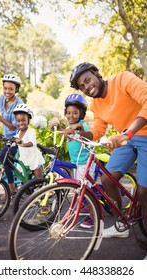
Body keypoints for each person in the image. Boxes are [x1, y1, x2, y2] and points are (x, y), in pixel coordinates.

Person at [66, 62, 147, 248]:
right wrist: (77, 133)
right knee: (108, 180)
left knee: (144, 193)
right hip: (127, 139)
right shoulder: (96, 105)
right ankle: (121, 224)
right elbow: (97, 131)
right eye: (82, 86)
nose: (87, 86)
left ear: (96, 73)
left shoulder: (123, 79)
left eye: (88, 80)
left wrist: (128, 133)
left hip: (140, 135)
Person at [0, 73, 24, 195]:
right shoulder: (2, 99)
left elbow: (13, 126)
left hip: (17, 137)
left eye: (11, 89)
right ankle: (14, 183)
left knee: (4, 156)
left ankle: (12, 187)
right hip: (7, 138)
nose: (7, 91)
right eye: (5, 88)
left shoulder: (19, 104)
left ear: (16, 89)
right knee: (4, 158)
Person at [63, 93, 94, 229]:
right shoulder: (70, 127)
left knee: (85, 190)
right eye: (68, 113)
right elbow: (68, 138)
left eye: (75, 113)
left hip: (85, 162)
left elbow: (82, 131)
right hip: (76, 163)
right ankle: (86, 207)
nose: (71, 116)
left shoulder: (82, 126)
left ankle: (93, 217)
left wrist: (77, 128)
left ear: (81, 114)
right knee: (78, 188)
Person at [13, 104, 45, 178]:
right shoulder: (18, 133)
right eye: (18, 121)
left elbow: (32, 143)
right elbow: (14, 140)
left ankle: (42, 187)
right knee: (24, 181)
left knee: (38, 180)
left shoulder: (31, 131)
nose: (21, 123)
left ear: (28, 120)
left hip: (34, 159)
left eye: (23, 120)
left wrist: (23, 144)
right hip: (24, 159)